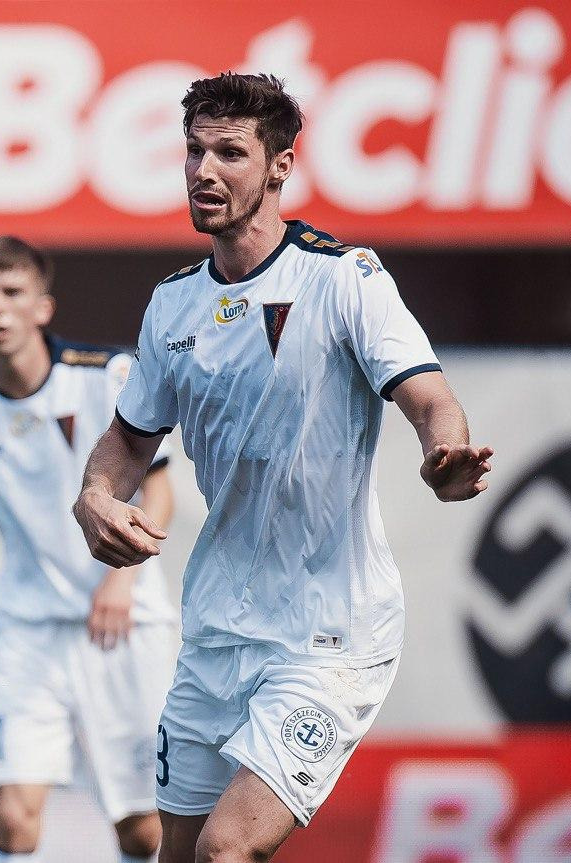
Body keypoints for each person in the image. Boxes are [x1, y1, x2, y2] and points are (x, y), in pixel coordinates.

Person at [71, 72, 493, 863]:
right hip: (217, 628)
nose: (203, 170)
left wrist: (443, 454)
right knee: (178, 853)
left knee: (227, 849)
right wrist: (94, 493)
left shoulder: (344, 278)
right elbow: (129, 438)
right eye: (194, 150)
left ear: (280, 166)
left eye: (230, 152)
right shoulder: (173, 303)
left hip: (331, 633)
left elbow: (431, 398)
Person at [0, 237, 179, 863]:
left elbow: (160, 488)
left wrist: (121, 578)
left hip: (126, 625)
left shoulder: (107, 377)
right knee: (15, 820)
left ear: (43, 307)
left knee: (143, 829)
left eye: (12, 292)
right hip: (29, 633)